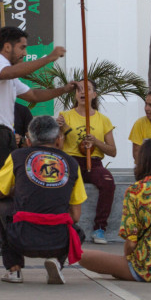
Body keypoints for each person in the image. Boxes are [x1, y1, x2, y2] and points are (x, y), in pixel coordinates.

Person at [0, 26, 76, 256]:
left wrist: (64, 90)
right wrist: (49, 57)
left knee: (7, 188)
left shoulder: (8, 73)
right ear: (7, 47)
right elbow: (9, 74)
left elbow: (35, 96)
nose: (25, 52)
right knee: (4, 189)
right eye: (22, 47)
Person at [79, 139, 151, 282]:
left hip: (147, 268)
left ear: (142, 160)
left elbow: (131, 243)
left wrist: (128, 259)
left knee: (81, 255)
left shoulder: (136, 190)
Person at [0, 115, 87, 284]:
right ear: (58, 140)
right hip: (58, 241)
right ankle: (56, 262)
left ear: (28, 140)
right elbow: (76, 216)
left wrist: (18, 191)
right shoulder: (71, 164)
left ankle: (14, 269)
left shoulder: (17, 156)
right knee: (77, 231)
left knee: (2, 203)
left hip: (21, 237)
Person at [57, 79, 116, 244]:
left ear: (94, 94)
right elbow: (58, 147)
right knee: (62, 183)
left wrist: (96, 142)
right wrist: (60, 131)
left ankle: (99, 228)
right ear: (75, 94)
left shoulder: (103, 120)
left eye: (88, 89)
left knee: (108, 182)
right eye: (79, 89)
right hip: (70, 162)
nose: (83, 92)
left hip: (94, 162)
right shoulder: (65, 116)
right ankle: (65, 226)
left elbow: (112, 151)